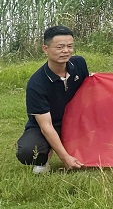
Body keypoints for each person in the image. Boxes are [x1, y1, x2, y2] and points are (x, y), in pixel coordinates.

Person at [16, 26, 89, 173]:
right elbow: (46, 126)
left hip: (76, 121)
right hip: (50, 124)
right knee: (28, 151)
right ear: (46, 49)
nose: (66, 51)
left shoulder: (79, 63)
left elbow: (89, 90)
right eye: (60, 47)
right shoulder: (36, 84)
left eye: (70, 46)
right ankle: (45, 155)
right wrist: (65, 157)